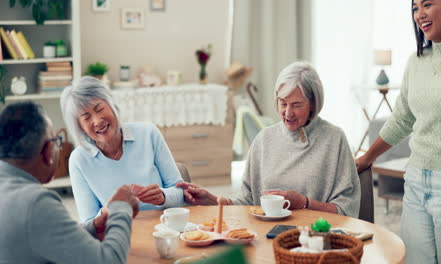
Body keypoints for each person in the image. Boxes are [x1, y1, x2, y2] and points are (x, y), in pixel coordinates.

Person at [356, 0, 441, 262]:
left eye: (427, 4)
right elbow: (402, 119)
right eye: (415, 8)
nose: (420, 14)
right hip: (416, 179)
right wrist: (367, 157)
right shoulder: (416, 62)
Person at [177, 62, 360, 217]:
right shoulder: (264, 140)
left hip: (317, 238)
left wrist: (304, 203)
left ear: (313, 104)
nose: (288, 113)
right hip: (267, 237)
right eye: (283, 103)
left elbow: (347, 210)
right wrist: (212, 200)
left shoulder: (334, 139)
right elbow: (247, 203)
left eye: (296, 105)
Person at [0, 101, 139, 263]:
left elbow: (39, 234)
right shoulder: (35, 203)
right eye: (56, 140)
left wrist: (93, 227)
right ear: (47, 152)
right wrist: (120, 208)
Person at [61, 76, 184, 223]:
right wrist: (110, 210)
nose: (97, 121)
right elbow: (88, 224)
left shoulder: (148, 133)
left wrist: (163, 197)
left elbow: (180, 192)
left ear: (112, 105)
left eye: (100, 109)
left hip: (162, 229)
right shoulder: (79, 160)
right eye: (86, 118)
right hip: (118, 237)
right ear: (79, 127)